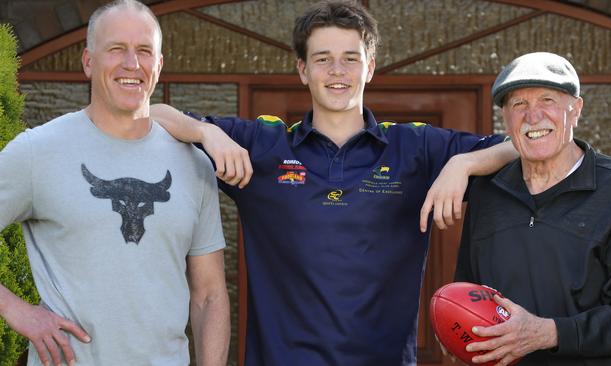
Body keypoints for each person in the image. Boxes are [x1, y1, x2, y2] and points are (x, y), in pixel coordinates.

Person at [151, 1, 519, 364]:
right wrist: (205, 131)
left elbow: (517, 147)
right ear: (303, 70)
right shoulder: (263, 144)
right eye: (323, 58)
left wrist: (463, 162)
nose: (337, 71)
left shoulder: (414, 148)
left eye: (351, 58)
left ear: (370, 68)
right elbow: (152, 114)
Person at [0, 1, 230, 365]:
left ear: (159, 64)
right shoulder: (36, 152)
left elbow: (209, 295)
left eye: (144, 51)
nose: (131, 64)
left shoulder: (194, 165)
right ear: (88, 61)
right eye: (116, 49)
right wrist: (16, 310)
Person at [454, 52, 611, 365]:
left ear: (576, 110)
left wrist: (547, 333)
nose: (533, 117)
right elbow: (468, 294)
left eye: (547, 100)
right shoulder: (487, 192)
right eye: (519, 104)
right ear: (505, 117)